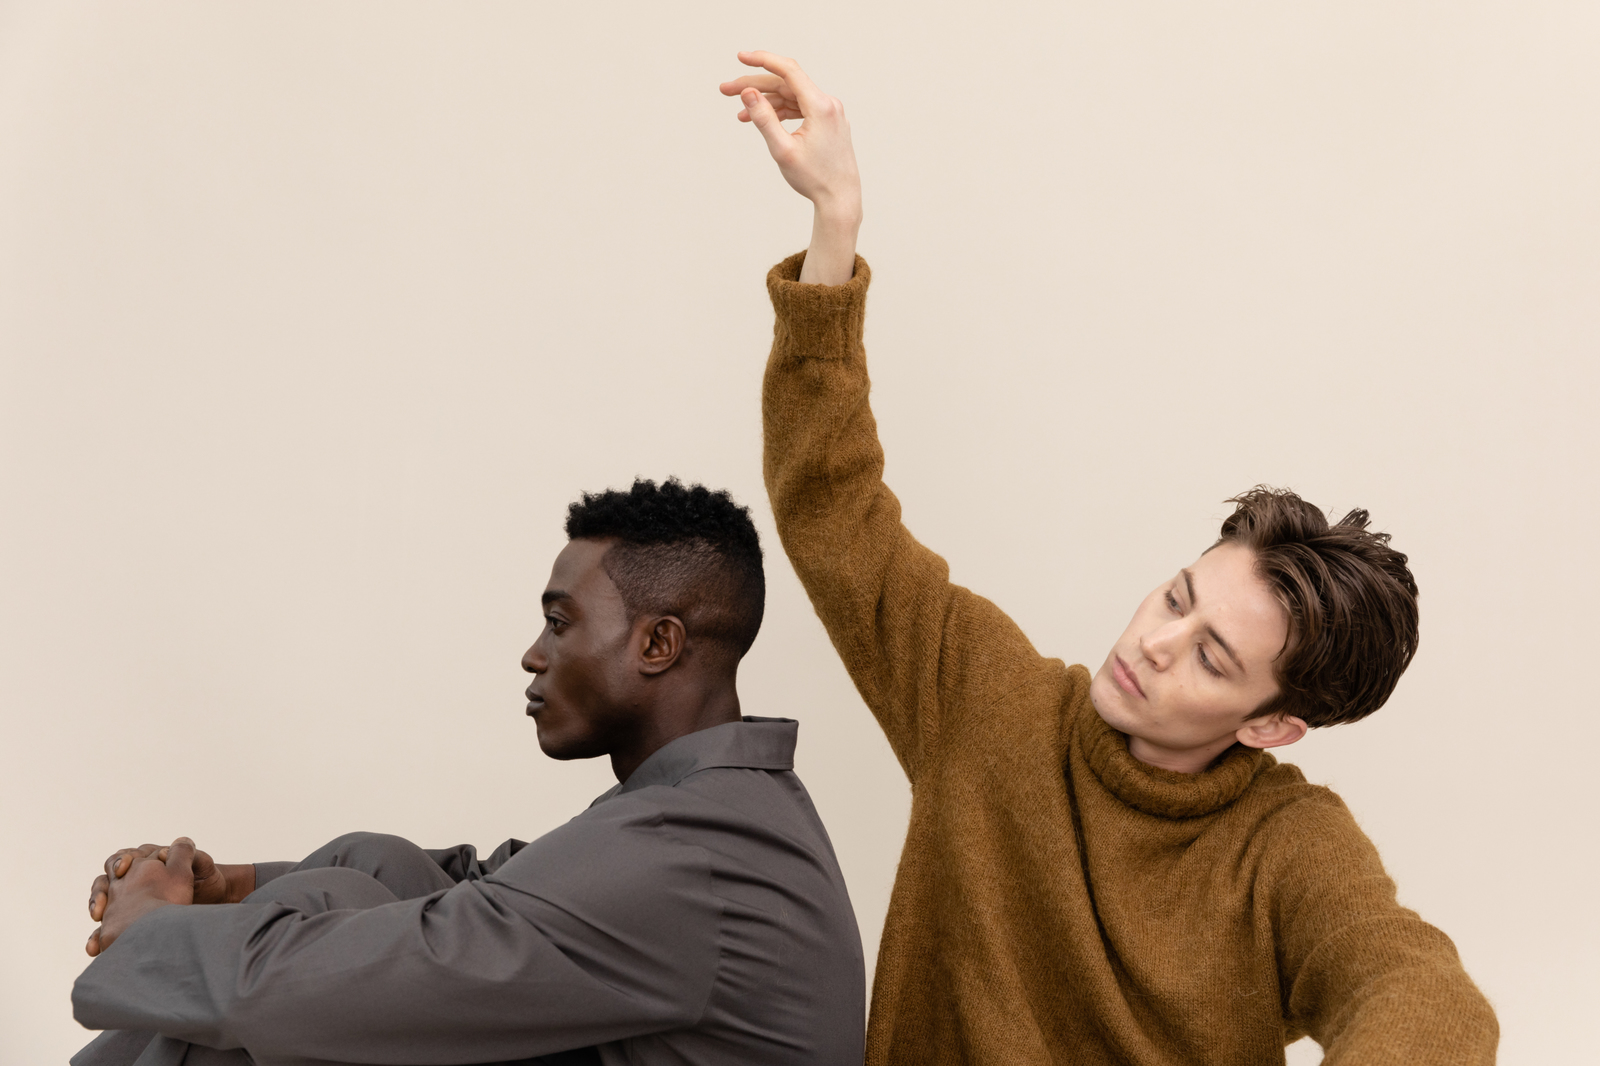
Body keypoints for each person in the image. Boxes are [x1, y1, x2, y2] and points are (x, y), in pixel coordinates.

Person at [720, 50, 1497, 1066]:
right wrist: (834, 218)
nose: (1155, 641)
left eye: (1213, 657)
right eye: (1177, 595)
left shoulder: (1289, 850)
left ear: (1272, 722)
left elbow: (1420, 991)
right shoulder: (987, 700)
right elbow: (833, 508)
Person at [73, 478, 865, 1066]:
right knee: (358, 877)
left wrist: (153, 929)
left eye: (560, 622)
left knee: (309, 970)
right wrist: (230, 887)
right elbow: (490, 888)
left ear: (656, 645)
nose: (533, 653)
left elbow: (354, 985)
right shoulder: (708, 813)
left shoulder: (684, 858)